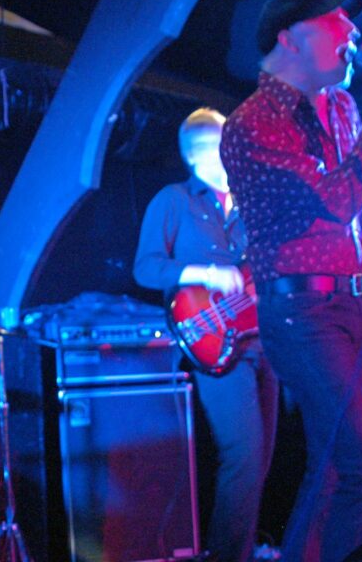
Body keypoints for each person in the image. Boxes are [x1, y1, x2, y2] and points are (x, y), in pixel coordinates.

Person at [219, 0, 362, 561]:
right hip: (301, 314)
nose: (353, 35)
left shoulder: (343, 107)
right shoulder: (251, 125)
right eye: (336, 23)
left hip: (353, 306)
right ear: (290, 37)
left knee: (333, 474)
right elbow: (337, 199)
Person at [134, 108, 278, 562]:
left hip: (263, 338)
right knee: (244, 454)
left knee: (262, 458)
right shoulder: (173, 201)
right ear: (203, 151)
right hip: (214, 341)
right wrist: (205, 273)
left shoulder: (253, 200)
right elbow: (146, 267)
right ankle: (228, 556)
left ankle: (244, 546)